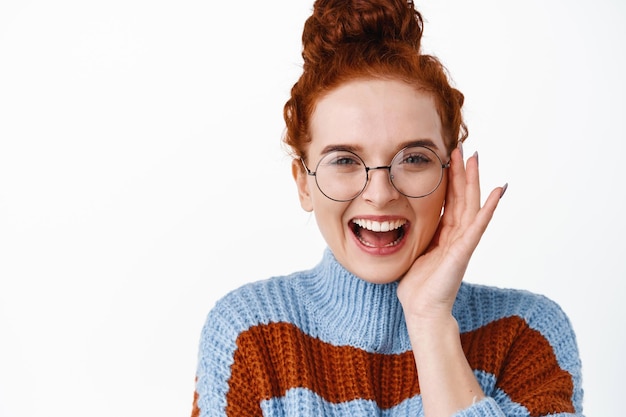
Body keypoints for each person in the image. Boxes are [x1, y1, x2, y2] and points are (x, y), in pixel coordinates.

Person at [190, 0, 584, 416]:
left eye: (413, 158)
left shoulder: (527, 335)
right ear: (303, 183)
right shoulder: (249, 335)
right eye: (343, 160)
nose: (380, 193)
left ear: (452, 176)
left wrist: (430, 321)